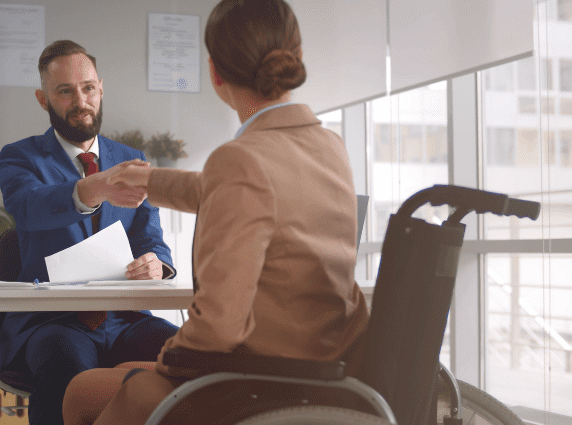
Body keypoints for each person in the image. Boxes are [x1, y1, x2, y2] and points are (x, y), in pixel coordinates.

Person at [61, 1, 370, 424]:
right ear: (294, 55)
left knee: (84, 391)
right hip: (327, 364)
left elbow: (219, 327)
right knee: (118, 374)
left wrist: (167, 358)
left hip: (261, 379)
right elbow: (232, 191)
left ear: (215, 72)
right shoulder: (329, 147)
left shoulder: (241, 159)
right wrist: (148, 180)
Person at [0, 40, 179, 425]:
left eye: (88, 88)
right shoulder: (19, 158)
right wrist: (95, 188)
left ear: (100, 88)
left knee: (184, 355)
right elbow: (28, 207)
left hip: (125, 318)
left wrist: (157, 266)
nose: (80, 100)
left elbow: (151, 239)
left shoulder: (132, 159)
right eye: (65, 91)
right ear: (43, 99)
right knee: (67, 367)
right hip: (54, 321)